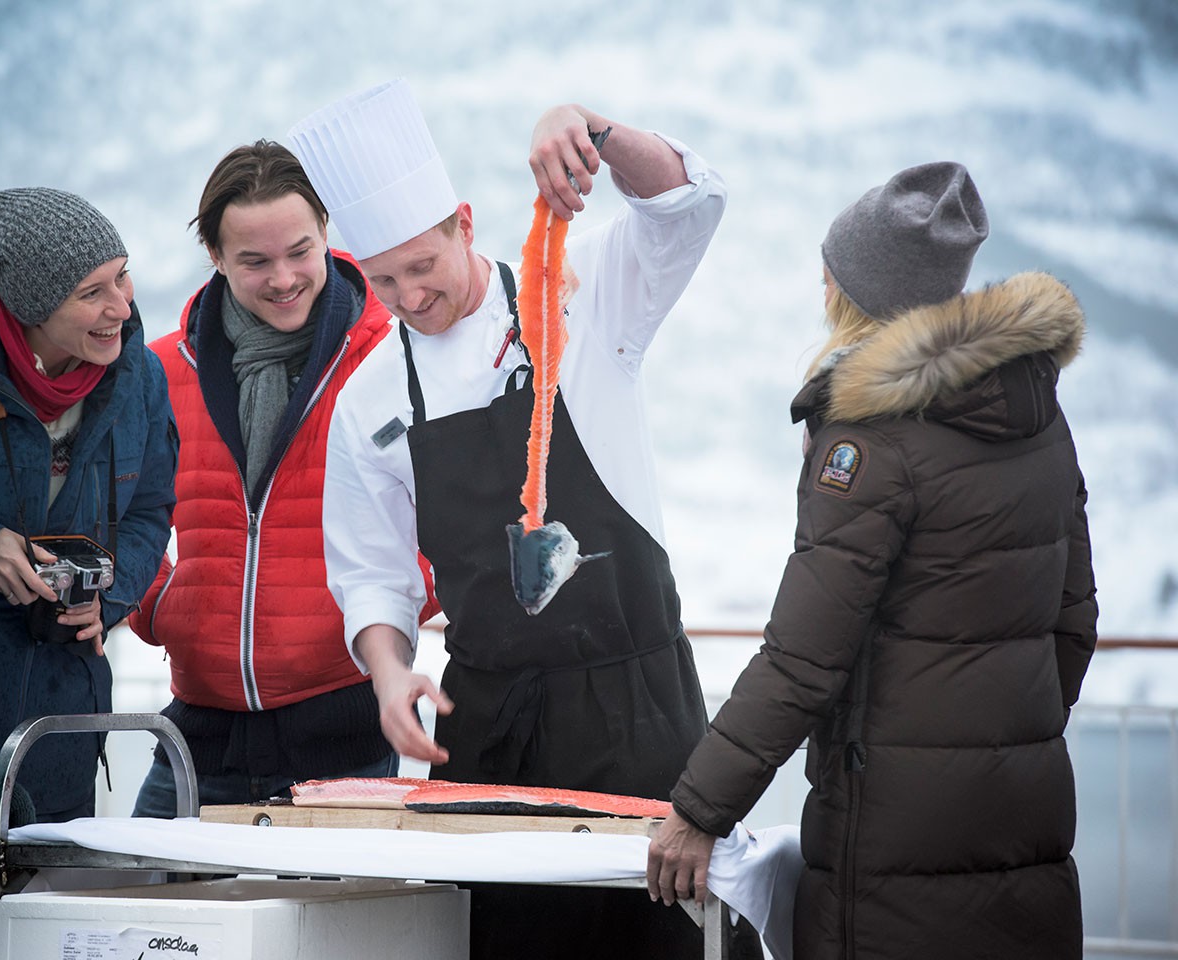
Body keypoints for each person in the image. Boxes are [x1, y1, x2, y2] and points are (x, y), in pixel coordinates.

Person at [290, 78, 734, 958]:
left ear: (462, 222)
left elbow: (690, 205)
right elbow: (371, 574)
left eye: (424, 266)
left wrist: (595, 131)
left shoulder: (578, 290)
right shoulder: (369, 399)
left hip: (635, 706)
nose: (411, 297)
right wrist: (388, 675)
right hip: (490, 723)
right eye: (384, 281)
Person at [647, 162, 1097, 960]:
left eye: (833, 267)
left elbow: (802, 660)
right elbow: (1073, 620)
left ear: (855, 293)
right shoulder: (1036, 412)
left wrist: (698, 811)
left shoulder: (868, 444)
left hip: (893, 840)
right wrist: (995, 734)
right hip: (1022, 816)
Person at [128, 141, 436, 815]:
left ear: (327, 231)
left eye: (300, 250)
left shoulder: (395, 361)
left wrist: (386, 611)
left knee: (337, 925)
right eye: (255, 261)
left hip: (345, 733)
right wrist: (155, 604)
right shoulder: (159, 371)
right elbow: (121, 515)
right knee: (149, 915)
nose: (285, 277)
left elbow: (457, 515)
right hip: (196, 734)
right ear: (214, 255)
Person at [0, 188, 178, 824]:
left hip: (69, 706)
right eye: (91, 292)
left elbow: (150, 509)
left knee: (50, 909)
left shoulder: (139, 379)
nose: (121, 307)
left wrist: (111, 596)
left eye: (123, 277)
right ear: (30, 304)